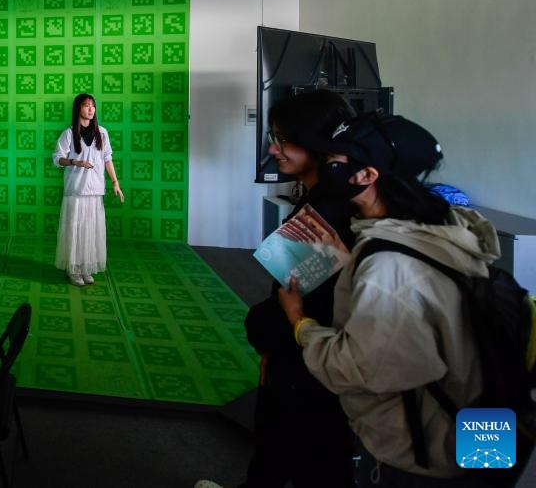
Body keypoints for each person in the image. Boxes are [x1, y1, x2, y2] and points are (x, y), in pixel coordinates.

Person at [277, 113, 501, 486]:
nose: (324, 168)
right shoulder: (443, 229)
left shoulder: (387, 268)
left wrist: (300, 322)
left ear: (367, 175)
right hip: (479, 427)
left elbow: (355, 369)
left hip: (422, 448)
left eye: (333, 161)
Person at [196, 89, 357, 488]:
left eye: (284, 140)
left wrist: (268, 335)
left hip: (310, 364)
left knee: (309, 455)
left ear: (319, 144)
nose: (273, 150)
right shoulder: (325, 203)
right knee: (279, 449)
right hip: (303, 354)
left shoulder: (325, 214)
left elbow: (295, 298)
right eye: (274, 138)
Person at [52, 93, 124, 286]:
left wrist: (115, 182)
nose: (91, 109)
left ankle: (86, 268)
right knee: (75, 229)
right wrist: (74, 161)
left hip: (95, 189)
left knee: (91, 230)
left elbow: (107, 158)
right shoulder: (69, 133)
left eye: (93, 105)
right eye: (86, 105)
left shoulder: (102, 133)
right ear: (78, 108)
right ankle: (73, 269)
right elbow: (57, 158)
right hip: (76, 190)